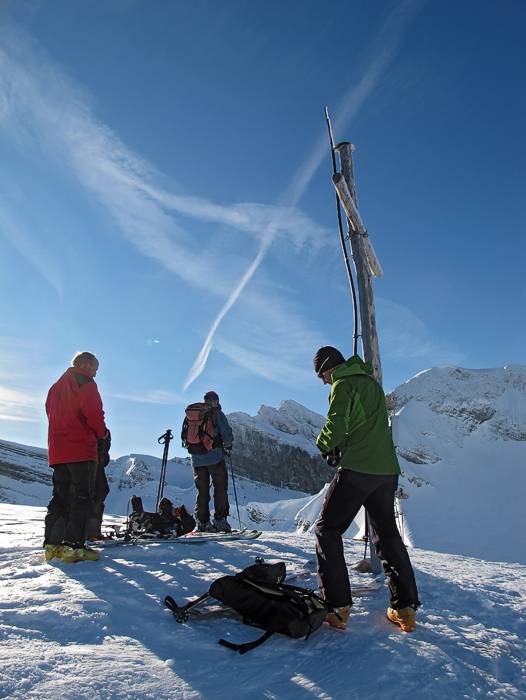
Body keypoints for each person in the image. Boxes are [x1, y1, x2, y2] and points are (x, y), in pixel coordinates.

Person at [313, 346, 421, 632]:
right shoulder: (370, 383)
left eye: (321, 374)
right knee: (387, 535)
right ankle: (405, 609)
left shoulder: (342, 384)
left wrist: (324, 444)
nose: (323, 380)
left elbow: (336, 425)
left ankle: (337, 607)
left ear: (328, 367)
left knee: (327, 529)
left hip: (358, 469)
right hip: (386, 470)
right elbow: (365, 427)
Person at [43, 351, 109, 563]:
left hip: (58, 451)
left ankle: (53, 545)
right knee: (81, 497)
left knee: (60, 496)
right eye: (95, 368)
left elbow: (49, 412)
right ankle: (74, 546)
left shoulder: (55, 387)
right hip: (80, 449)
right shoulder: (85, 383)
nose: (96, 373)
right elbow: (94, 414)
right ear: (85, 364)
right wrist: (103, 434)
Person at [190, 391, 234, 532]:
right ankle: (220, 521)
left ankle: (202, 523)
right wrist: (228, 445)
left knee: (202, 491)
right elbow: (226, 433)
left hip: (196, 459)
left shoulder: (194, 415)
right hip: (215, 458)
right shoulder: (217, 414)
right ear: (215, 401)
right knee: (220, 489)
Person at [84, 430, 111, 541]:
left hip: (86, 461)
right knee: (98, 494)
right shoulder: (99, 428)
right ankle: (92, 533)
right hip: (93, 461)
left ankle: (83, 532)